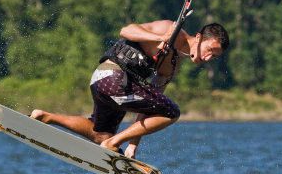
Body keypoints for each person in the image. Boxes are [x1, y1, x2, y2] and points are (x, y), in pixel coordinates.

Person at [31, 20, 229, 158]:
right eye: (209, 50)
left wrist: (133, 145)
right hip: (112, 77)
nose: (208, 58)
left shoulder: (172, 66)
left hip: (107, 84)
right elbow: (125, 31)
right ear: (199, 37)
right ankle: (113, 143)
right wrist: (161, 37)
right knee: (173, 112)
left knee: (101, 135)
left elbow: (149, 108)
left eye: (215, 56)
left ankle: (45, 117)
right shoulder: (170, 28)